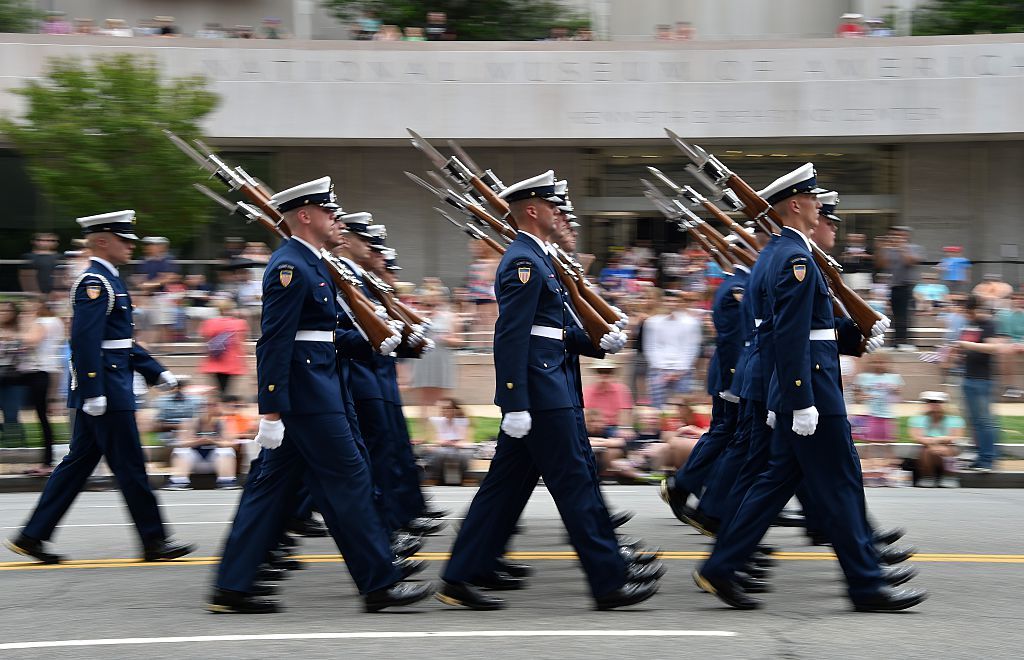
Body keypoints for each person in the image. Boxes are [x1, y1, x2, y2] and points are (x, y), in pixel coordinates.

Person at [694, 165, 925, 612]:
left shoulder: (778, 254)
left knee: (776, 482)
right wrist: (801, 399)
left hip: (797, 387)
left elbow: (808, 326)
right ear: (796, 205)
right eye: (814, 199)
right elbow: (790, 334)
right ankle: (865, 585)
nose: (821, 207)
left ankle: (721, 567)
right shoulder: (796, 259)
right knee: (839, 485)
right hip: (811, 390)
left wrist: (855, 336)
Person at [437, 170, 659, 611]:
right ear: (534, 210)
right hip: (540, 395)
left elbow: (551, 332)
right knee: (575, 481)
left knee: (505, 488)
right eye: (555, 206)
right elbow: (511, 336)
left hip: (549, 386)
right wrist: (515, 401)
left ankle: (461, 576)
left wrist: (596, 342)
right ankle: (608, 580)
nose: (562, 214)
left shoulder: (540, 259)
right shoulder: (523, 261)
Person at [208, 177, 431, 614]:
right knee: (350, 481)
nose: (337, 220)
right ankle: (379, 583)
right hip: (308, 399)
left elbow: (322, 336)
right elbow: (274, 342)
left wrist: (374, 341)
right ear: (305, 216)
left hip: (319, 391)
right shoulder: (290, 265)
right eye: (329, 212)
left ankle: (232, 586)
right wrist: (270, 410)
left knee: (270, 490)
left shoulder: (313, 262)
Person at [5, 210, 193, 565]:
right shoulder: (94, 282)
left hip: (111, 387)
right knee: (131, 466)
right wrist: (93, 392)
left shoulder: (110, 279)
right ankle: (154, 540)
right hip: (107, 392)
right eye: (124, 240)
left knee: (77, 465)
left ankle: (32, 536)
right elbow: (85, 343)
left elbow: (120, 341)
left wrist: (156, 372)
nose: (130, 246)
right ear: (103, 241)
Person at [954, 294, 1011, 472]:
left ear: (975, 309)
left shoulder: (989, 324)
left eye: (968, 312)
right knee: (974, 421)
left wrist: (966, 345)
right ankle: (979, 456)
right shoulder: (970, 324)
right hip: (968, 376)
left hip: (982, 379)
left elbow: (994, 348)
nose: (966, 315)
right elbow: (966, 347)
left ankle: (988, 459)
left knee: (984, 421)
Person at [18, 299, 66, 475]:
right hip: (48, 370)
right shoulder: (55, 322)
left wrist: (24, 324)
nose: (24, 310)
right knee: (43, 417)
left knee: (42, 417)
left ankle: (47, 462)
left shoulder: (42, 322)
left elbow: (31, 341)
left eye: (27, 307)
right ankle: (47, 460)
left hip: (39, 371)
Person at [643, 290, 702, 409]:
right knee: (657, 408)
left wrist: (678, 371)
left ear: (680, 303)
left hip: (683, 371)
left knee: (682, 408)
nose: (671, 304)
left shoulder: (691, 323)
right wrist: (662, 369)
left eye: (674, 301)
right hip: (659, 370)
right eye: (668, 300)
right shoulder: (652, 323)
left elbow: (691, 348)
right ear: (662, 302)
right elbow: (650, 347)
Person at [165, 398, 240, 490]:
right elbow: (181, 443)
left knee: (227, 451)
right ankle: (178, 481)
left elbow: (232, 444)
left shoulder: (223, 423)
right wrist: (198, 441)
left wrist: (213, 441)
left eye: (211, 405)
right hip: (195, 460)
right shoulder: (190, 423)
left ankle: (226, 481)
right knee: (181, 451)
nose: (207, 408)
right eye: (204, 406)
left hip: (215, 461)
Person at [853, 352, 904, 484]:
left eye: (882, 362)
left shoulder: (893, 377)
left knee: (889, 445)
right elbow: (858, 396)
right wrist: (864, 397)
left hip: (888, 415)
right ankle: (871, 472)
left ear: (888, 363)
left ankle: (890, 472)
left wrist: (895, 390)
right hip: (871, 415)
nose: (879, 364)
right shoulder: (864, 377)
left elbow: (899, 396)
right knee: (870, 444)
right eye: (875, 362)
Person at [875, 226, 923, 351]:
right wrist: (880, 249)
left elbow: (911, 262)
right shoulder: (890, 250)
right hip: (894, 286)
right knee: (895, 315)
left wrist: (902, 247)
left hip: (908, 285)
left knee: (906, 315)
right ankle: (896, 342)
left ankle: (905, 341)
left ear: (906, 236)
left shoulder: (914, 248)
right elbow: (882, 265)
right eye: (894, 235)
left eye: (900, 234)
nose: (896, 237)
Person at [908, 391, 964, 487]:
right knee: (926, 452)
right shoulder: (917, 419)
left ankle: (950, 476)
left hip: (948, 446)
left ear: (945, 404)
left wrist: (938, 441)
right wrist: (932, 444)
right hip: (927, 447)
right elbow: (917, 437)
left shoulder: (955, 420)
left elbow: (956, 437)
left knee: (948, 450)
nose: (934, 404)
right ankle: (927, 477)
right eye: (930, 401)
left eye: (938, 402)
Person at [198, 299, 249, 397]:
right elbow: (239, 343)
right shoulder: (239, 323)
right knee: (226, 389)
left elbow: (205, 340)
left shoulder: (209, 322)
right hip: (231, 360)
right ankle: (222, 401)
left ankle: (219, 401)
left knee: (219, 387)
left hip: (214, 359)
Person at [425, 398, 474, 485]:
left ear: (455, 409)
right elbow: (433, 439)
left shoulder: (462, 421)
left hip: (458, 447)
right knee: (438, 453)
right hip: (442, 446)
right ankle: (436, 477)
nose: (446, 410)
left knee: (465, 454)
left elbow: (466, 439)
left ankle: (465, 477)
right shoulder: (437, 421)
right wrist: (441, 442)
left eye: (448, 408)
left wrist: (457, 443)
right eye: (443, 408)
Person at [0, 301, 26, 445]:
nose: (3, 314)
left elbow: (23, 353)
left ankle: (15, 444)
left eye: (6, 311)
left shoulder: (20, 330)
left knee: (11, 413)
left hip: (13, 377)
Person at [583, 363, 633, 429]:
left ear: (612, 374)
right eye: (600, 372)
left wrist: (623, 428)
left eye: (607, 372)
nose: (604, 375)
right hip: (594, 427)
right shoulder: (588, 391)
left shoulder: (621, 389)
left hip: (615, 427)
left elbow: (625, 413)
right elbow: (585, 412)